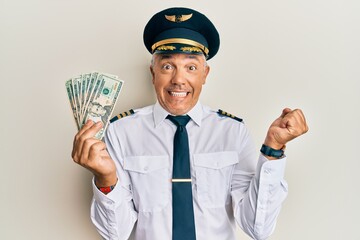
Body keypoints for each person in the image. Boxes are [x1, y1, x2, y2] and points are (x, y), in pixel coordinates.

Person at [71, 7, 308, 240]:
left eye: (191, 67)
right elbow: (115, 233)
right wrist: (106, 179)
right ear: (152, 73)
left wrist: (273, 150)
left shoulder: (233, 131)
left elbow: (258, 228)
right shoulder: (121, 131)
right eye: (167, 66)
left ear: (205, 74)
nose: (178, 80)